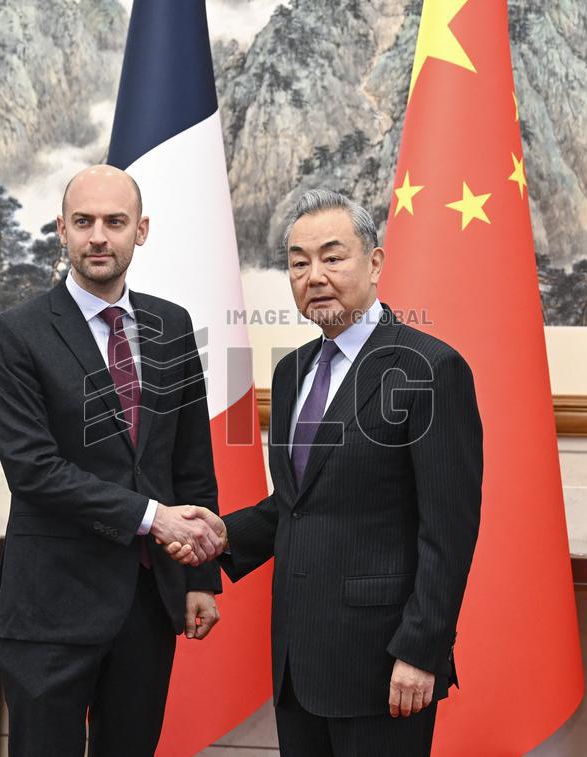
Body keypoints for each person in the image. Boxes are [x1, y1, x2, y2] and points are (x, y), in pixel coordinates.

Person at [168, 189, 483, 756]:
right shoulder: (292, 372)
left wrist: (421, 650)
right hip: (298, 659)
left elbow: (449, 529)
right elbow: (295, 502)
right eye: (298, 262)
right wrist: (218, 536)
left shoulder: (429, 368)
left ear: (375, 262)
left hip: (385, 664)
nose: (314, 276)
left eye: (332, 257)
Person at [0, 165, 227, 756]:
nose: (99, 237)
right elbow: (34, 469)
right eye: (83, 222)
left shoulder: (172, 326)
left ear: (140, 231)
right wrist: (153, 517)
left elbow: (190, 459)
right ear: (61, 230)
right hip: (51, 610)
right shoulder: (15, 335)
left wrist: (200, 577)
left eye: (114, 222)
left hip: (147, 605)